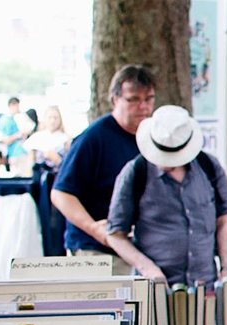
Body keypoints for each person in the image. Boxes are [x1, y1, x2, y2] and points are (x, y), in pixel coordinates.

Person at [105, 105, 227, 325]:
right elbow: (115, 234)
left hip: (202, 291)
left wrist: (226, 268)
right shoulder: (136, 172)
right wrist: (148, 268)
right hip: (156, 294)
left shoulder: (209, 167)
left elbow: (223, 221)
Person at [52, 65, 156, 275]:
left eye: (149, 99)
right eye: (133, 99)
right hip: (98, 252)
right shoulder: (94, 138)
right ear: (115, 99)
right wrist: (94, 228)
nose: (143, 107)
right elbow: (61, 194)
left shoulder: (154, 138)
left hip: (142, 250)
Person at [0, 97, 32, 175]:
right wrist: (18, 135)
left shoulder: (20, 117)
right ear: (11, 105)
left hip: (22, 152)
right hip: (13, 154)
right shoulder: (4, 120)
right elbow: (5, 140)